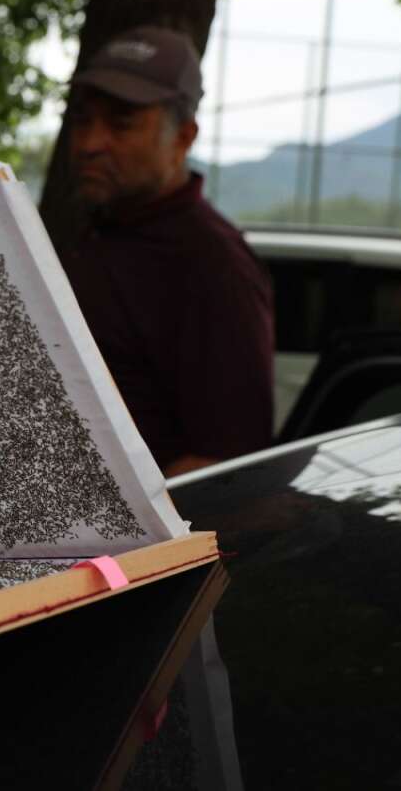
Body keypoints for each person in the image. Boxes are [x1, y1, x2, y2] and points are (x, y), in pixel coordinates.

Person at [58, 26, 274, 476]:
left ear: (183, 137)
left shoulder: (212, 265)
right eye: (83, 120)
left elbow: (223, 466)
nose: (91, 144)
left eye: (121, 123)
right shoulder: (99, 229)